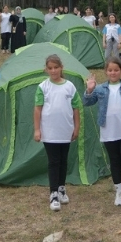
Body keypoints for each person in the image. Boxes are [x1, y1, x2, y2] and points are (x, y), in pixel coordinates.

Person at [83, 57, 121, 208]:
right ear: (106, 72)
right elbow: (87, 102)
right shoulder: (100, 89)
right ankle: (119, 191)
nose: (113, 73)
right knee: (114, 161)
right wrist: (89, 90)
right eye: (110, 70)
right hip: (108, 131)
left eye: (116, 70)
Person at [32, 54, 82, 211]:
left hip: (65, 130)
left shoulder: (70, 87)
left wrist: (76, 127)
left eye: (56, 67)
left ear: (61, 68)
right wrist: (37, 129)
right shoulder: (43, 87)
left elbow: (76, 109)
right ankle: (53, 193)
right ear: (46, 69)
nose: (53, 71)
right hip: (50, 131)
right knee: (53, 161)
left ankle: (61, 188)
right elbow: (37, 109)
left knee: (63, 160)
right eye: (50, 68)